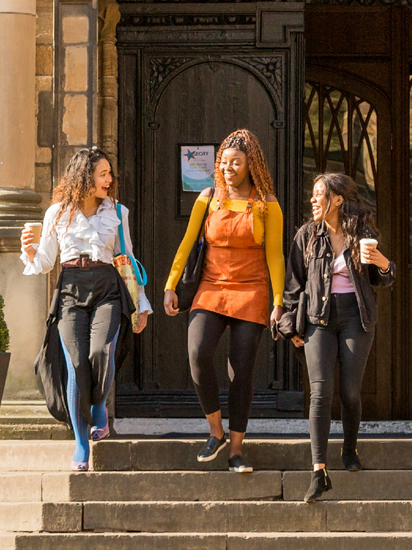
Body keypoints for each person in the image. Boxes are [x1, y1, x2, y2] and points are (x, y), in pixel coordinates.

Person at [163, 129, 285, 474]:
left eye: (236, 162)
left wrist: (278, 301)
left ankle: (235, 450)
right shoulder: (208, 198)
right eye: (225, 161)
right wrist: (171, 284)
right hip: (212, 287)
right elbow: (187, 244)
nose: (229, 167)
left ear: (251, 166)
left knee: (241, 372)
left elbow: (275, 256)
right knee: (198, 352)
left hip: (252, 290)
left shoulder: (267, 204)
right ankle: (215, 430)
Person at [22, 147, 151, 471]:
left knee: (100, 353)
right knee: (76, 362)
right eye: (103, 174)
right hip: (70, 290)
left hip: (107, 287)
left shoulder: (117, 212)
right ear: (84, 177)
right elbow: (46, 261)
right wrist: (29, 250)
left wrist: (142, 305)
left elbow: (127, 261)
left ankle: (98, 407)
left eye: (110, 173)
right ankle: (81, 443)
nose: (109, 179)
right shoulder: (57, 213)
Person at [278, 172, 396, 502]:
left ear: (338, 199)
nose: (313, 200)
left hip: (356, 317)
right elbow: (293, 285)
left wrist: (383, 263)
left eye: (319, 195)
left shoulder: (363, 234)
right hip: (318, 318)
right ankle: (319, 472)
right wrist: (290, 326)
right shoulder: (306, 236)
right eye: (313, 195)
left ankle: (350, 448)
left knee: (350, 392)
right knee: (320, 392)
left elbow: (382, 279)